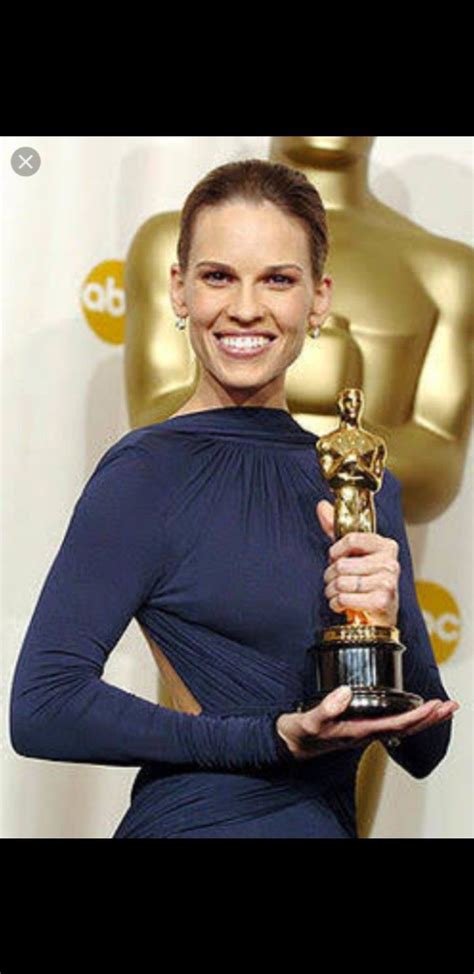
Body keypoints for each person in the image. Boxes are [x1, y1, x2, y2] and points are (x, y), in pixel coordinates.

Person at [9, 159, 459, 839]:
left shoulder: (365, 483)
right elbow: (43, 706)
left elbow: (425, 748)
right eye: (218, 276)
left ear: (318, 300)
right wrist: (270, 738)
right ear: (179, 291)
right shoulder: (145, 473)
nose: (245, 307)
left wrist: (385, 612)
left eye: (278, 279)